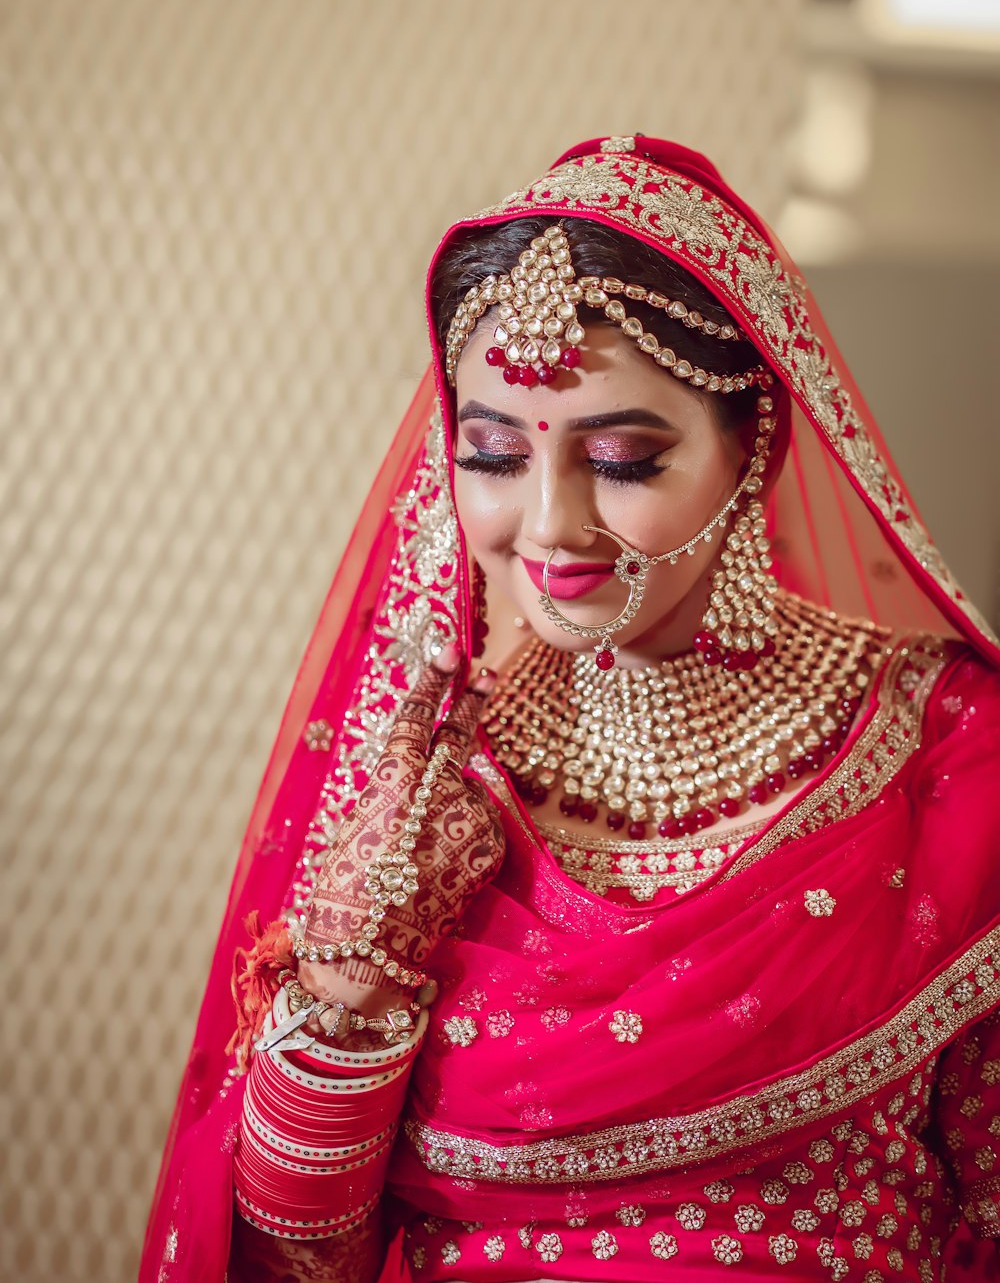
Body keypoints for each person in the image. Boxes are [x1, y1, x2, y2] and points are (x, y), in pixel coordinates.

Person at [140, 136, 1000, 1283]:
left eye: (624, 462)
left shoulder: (944, 753)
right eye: (493, 454)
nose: (547, 527)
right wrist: (349, 990)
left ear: (755, 444)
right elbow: (301, 1261)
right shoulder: (430, 790)